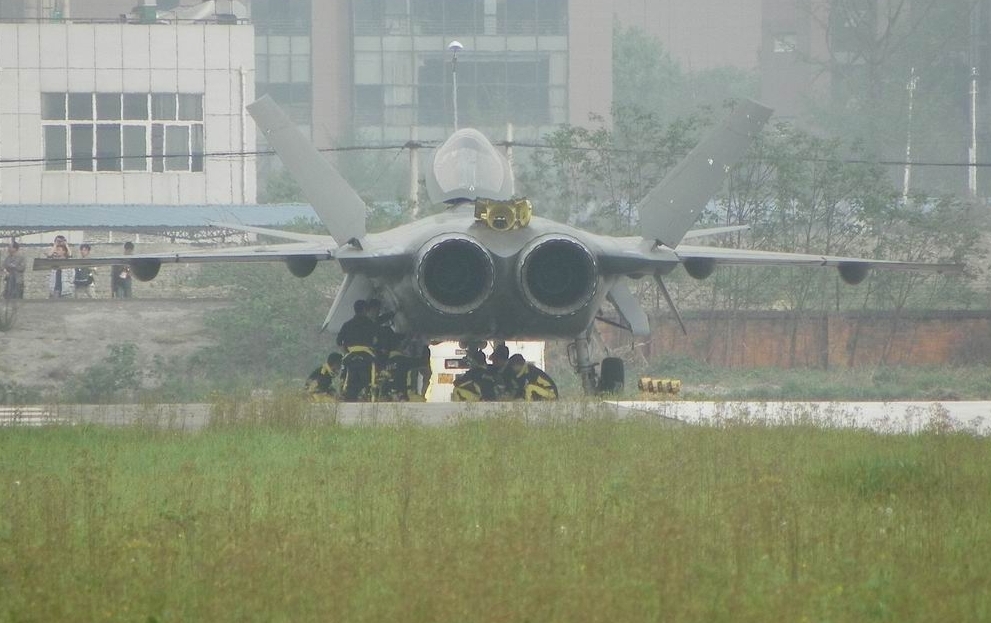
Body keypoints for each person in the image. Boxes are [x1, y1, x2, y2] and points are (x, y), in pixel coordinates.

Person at [336, 299, 378, 401]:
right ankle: (369, 398)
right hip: (367, 358)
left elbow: (338, 341)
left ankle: (345, 398)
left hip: (350, 359)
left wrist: (348, 353)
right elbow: (376, 340)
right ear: (364, 309)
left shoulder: (347, 324)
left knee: (348, 384)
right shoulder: (370, 323)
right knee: (369, 383)